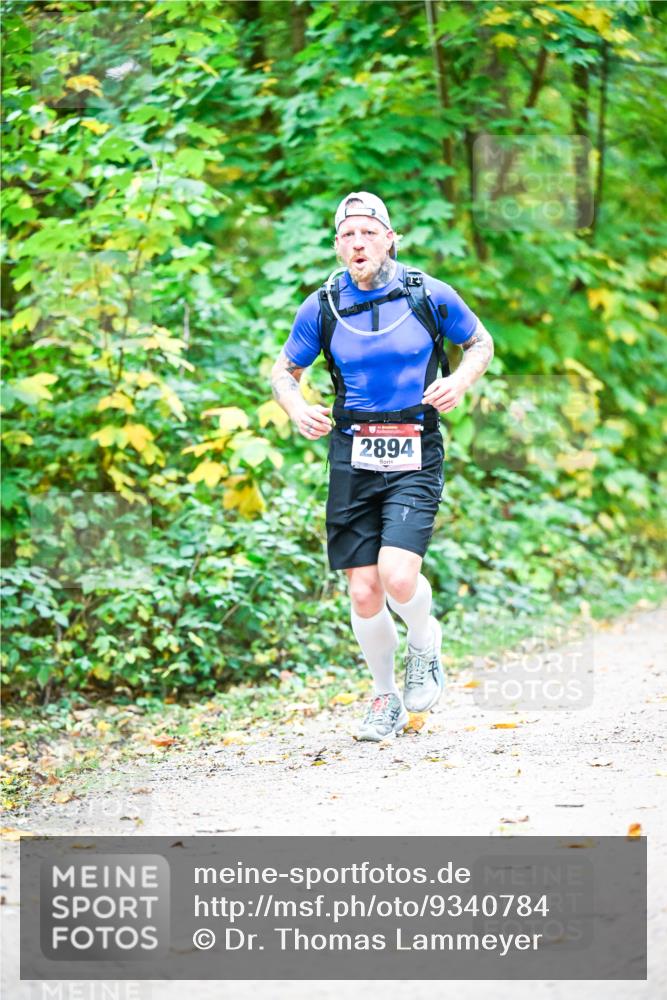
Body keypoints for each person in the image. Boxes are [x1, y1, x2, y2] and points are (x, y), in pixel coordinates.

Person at [271, 192, 494, 741]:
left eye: (369, 232)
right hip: (353, 452)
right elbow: (284, 371)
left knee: (398, 578)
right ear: (337, 245)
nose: (358, 243)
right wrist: (297, 407)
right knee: (364, 591)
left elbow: (481, 342)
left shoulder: (427, 294)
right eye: (348, 235)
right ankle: (384, 698)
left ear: (389, 238)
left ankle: (425, 641)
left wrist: (459, 382)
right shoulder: (322, 305)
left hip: (416, 445)